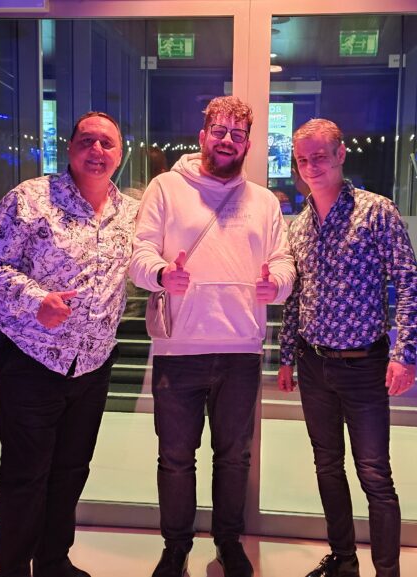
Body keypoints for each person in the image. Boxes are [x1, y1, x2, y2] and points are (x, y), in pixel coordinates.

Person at [129, 96, 296, 577]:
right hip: (179, 349)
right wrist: (163, 274)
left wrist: (277, 285)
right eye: (219, 131)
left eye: (237, 134)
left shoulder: (263, 201)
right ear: (202, 136)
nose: (227, 140)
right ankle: (175, 547)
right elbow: (139, 254)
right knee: (175, 459)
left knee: (234, 458)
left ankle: (228, 542)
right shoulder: (165, 187)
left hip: (241, 349)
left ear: (248, 144)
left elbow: (283, 261)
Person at [0, 111, 139, 577]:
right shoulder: (30, 199)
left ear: (120, 154)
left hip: (93, 364)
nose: (97, 150)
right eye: (87, 141)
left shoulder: (130, 213)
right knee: (26, 474)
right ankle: (12, 571)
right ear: (69, 147)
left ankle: (52, 562)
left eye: (107, 143)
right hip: (29, 358)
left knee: (71, 470)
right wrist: (36, 300)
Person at [277, 119, 417, 577]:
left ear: (341, 154)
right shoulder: (299, 225)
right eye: (303, 159)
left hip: (365, 364)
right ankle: (343, 560)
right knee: (327, 466)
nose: (311, 166)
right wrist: (286, 356)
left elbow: (408, 282)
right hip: (313, 364)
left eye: (319, 156)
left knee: (375, 474)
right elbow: (296, 296)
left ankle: (387, 572)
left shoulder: (376, 211)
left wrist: (404, 353)